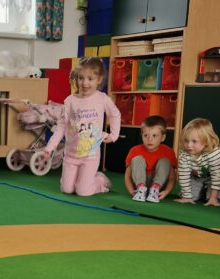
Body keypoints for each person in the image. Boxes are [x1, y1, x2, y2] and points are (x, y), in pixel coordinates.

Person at [42, 57, 120, 196]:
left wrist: (114, 135)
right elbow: (61, 127)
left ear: (99, 79)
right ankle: (77, 180)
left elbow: (115, 114)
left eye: (90, 79)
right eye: (81, 78)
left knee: (83, 192)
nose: (85, 83)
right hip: (71, 155)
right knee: (67, 190)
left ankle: (100, 180)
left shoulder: (102, 99)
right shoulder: (70, 101)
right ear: (76, 78)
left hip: (90, 155)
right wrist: (49, 148)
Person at [175, 117, 220, 206]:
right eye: (186, 141)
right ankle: (203, 191)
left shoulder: (214, 152)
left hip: (217, 177)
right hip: (197, 178)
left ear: (206, 141)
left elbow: (216, 176)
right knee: (189, 196)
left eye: (194, 141)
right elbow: (184, 175)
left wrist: (213, 198)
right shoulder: (184, 154)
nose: (189, 145)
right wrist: (186, 197)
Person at [124, 115, 177, 202]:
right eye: (146, 135)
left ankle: (154, 190)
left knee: (165, 161)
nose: (149, 139)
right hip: (138, 182)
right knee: (137, 159)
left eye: (154, 135)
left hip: (160, 184)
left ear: (162, 137)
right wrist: (131, 192)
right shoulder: (134, 150)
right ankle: (141, 189)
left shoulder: (169, 152)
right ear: (141, 135)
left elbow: (172, 178)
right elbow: (127, 175)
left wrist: (166, 192)